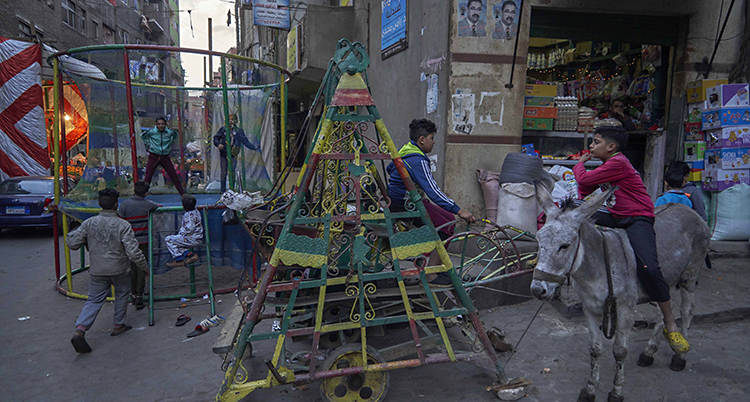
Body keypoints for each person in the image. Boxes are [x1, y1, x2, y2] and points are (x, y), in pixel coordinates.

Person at [574, 126, 690, 354]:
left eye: (595, 142)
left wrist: (580, 162)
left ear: (611, 147)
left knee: (649, 266)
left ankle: (670, 322)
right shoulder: (608, 165)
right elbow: (585, 186)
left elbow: (583, 177)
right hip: (616, 215)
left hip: (637, 217)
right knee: (573, 213)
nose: (591, 147)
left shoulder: (618, 163)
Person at [387, 118, 476, 286]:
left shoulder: (406, 152)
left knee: (448, 220)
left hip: (404, 201)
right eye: (432, 138)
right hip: (407, 204)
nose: (433, 142)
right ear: (422, 139)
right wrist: (460, 210)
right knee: (449, 225)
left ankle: (435, 269)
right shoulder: (417, 160)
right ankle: (431, 274)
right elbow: (434, 192)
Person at [68, 188, 148, 354]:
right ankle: (118, 325)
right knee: (121, 294)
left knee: (93, 300)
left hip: (97, 269)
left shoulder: (89, 223)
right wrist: (144, 268)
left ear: (99, 204)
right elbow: (133, 252)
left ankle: (80, 329)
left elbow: (72, 243)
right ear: (116, 205)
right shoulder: (122, 225)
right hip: (119, 269)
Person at [118, 181, 160, 310]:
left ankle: (133, 292)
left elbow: (120, 219)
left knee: (132, 267)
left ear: (134, 191)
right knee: (142, 267)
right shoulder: (148, 205)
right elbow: (157, 206)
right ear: (146, 193)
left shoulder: (124, 205)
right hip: (143, 241)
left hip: (129, 240)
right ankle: (139, 295)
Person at [213, 113, 259, 193]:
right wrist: (218, 144)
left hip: (233, 154)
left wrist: (253, 147)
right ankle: (222, 191)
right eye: (229, 119)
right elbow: (216, 138)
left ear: (236, 121)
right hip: (224, 154)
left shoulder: (239, 131)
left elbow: (245, 141)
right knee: (223, 173)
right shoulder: (223, 129)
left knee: (232, 172)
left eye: (232, 119)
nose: (230, 121)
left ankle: (232, 190)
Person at [141, 116, 185, 195]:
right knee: (148, 176)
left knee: (173, 175)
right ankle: (142, 194)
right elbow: (143, 136)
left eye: (162, 124)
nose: (161, 126)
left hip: (165, 156)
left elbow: (175, 135)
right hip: (154, 156)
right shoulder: (152, 132)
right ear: (156, 124)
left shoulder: (169, 132)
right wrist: (149, 144)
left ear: (165, 124)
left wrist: (171, 142)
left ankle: (182, 193)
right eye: (159, 124)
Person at [165, 194, 203, 268]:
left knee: (169, 239)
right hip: (196, 238)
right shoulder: (196, 211)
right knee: (177, 244)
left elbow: (189, 228)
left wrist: (181, 233)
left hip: (191, 238)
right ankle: (191, 255)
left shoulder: (189, 215)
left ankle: (179, 260)